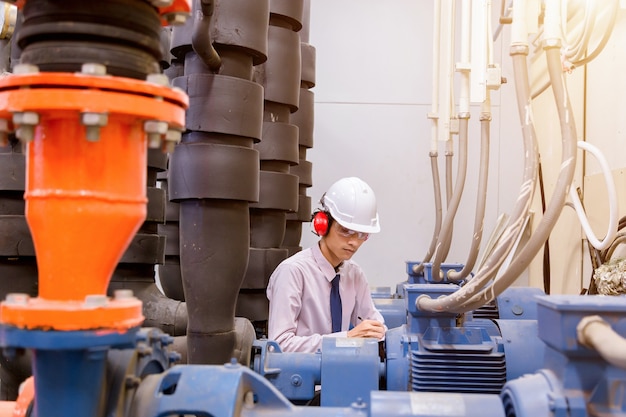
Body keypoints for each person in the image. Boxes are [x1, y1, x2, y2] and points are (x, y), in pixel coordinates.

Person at [266, 176, 387, 353]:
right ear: (323, 224)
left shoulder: (354, 274)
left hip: (344, 373)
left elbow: (376, 326)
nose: (354, 242)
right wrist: (346, 339)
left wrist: (380, 333)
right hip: (301, 378)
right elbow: (279, 345)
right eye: (346, 231)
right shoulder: (292, 272)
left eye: (362, 235)